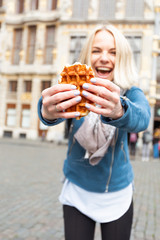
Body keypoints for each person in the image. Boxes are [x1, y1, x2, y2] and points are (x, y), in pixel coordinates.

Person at [38, 24, 151, 240]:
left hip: (117, 192)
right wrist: (46, 111)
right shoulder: (74, 89)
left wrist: (119, 110)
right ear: (87, 55)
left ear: (123, 58)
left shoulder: (130, 92)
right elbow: (50, 109)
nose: (104, 58)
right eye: (96, 50)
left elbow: (142, 118)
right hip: (77, 189)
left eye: (113, 52)